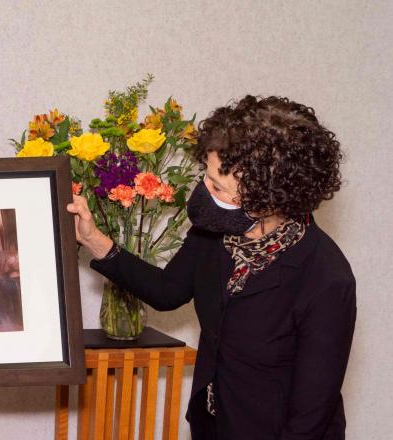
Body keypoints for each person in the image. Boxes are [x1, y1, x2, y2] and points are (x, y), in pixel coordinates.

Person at [67, 96, 355, 440]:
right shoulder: (216, 230)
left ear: (268, 198)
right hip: (213, 425)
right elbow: (167, 291)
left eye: (218, 187)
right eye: (206, 176)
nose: (204, 191)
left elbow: (310, 418)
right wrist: (94, 239)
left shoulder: (325, 278)